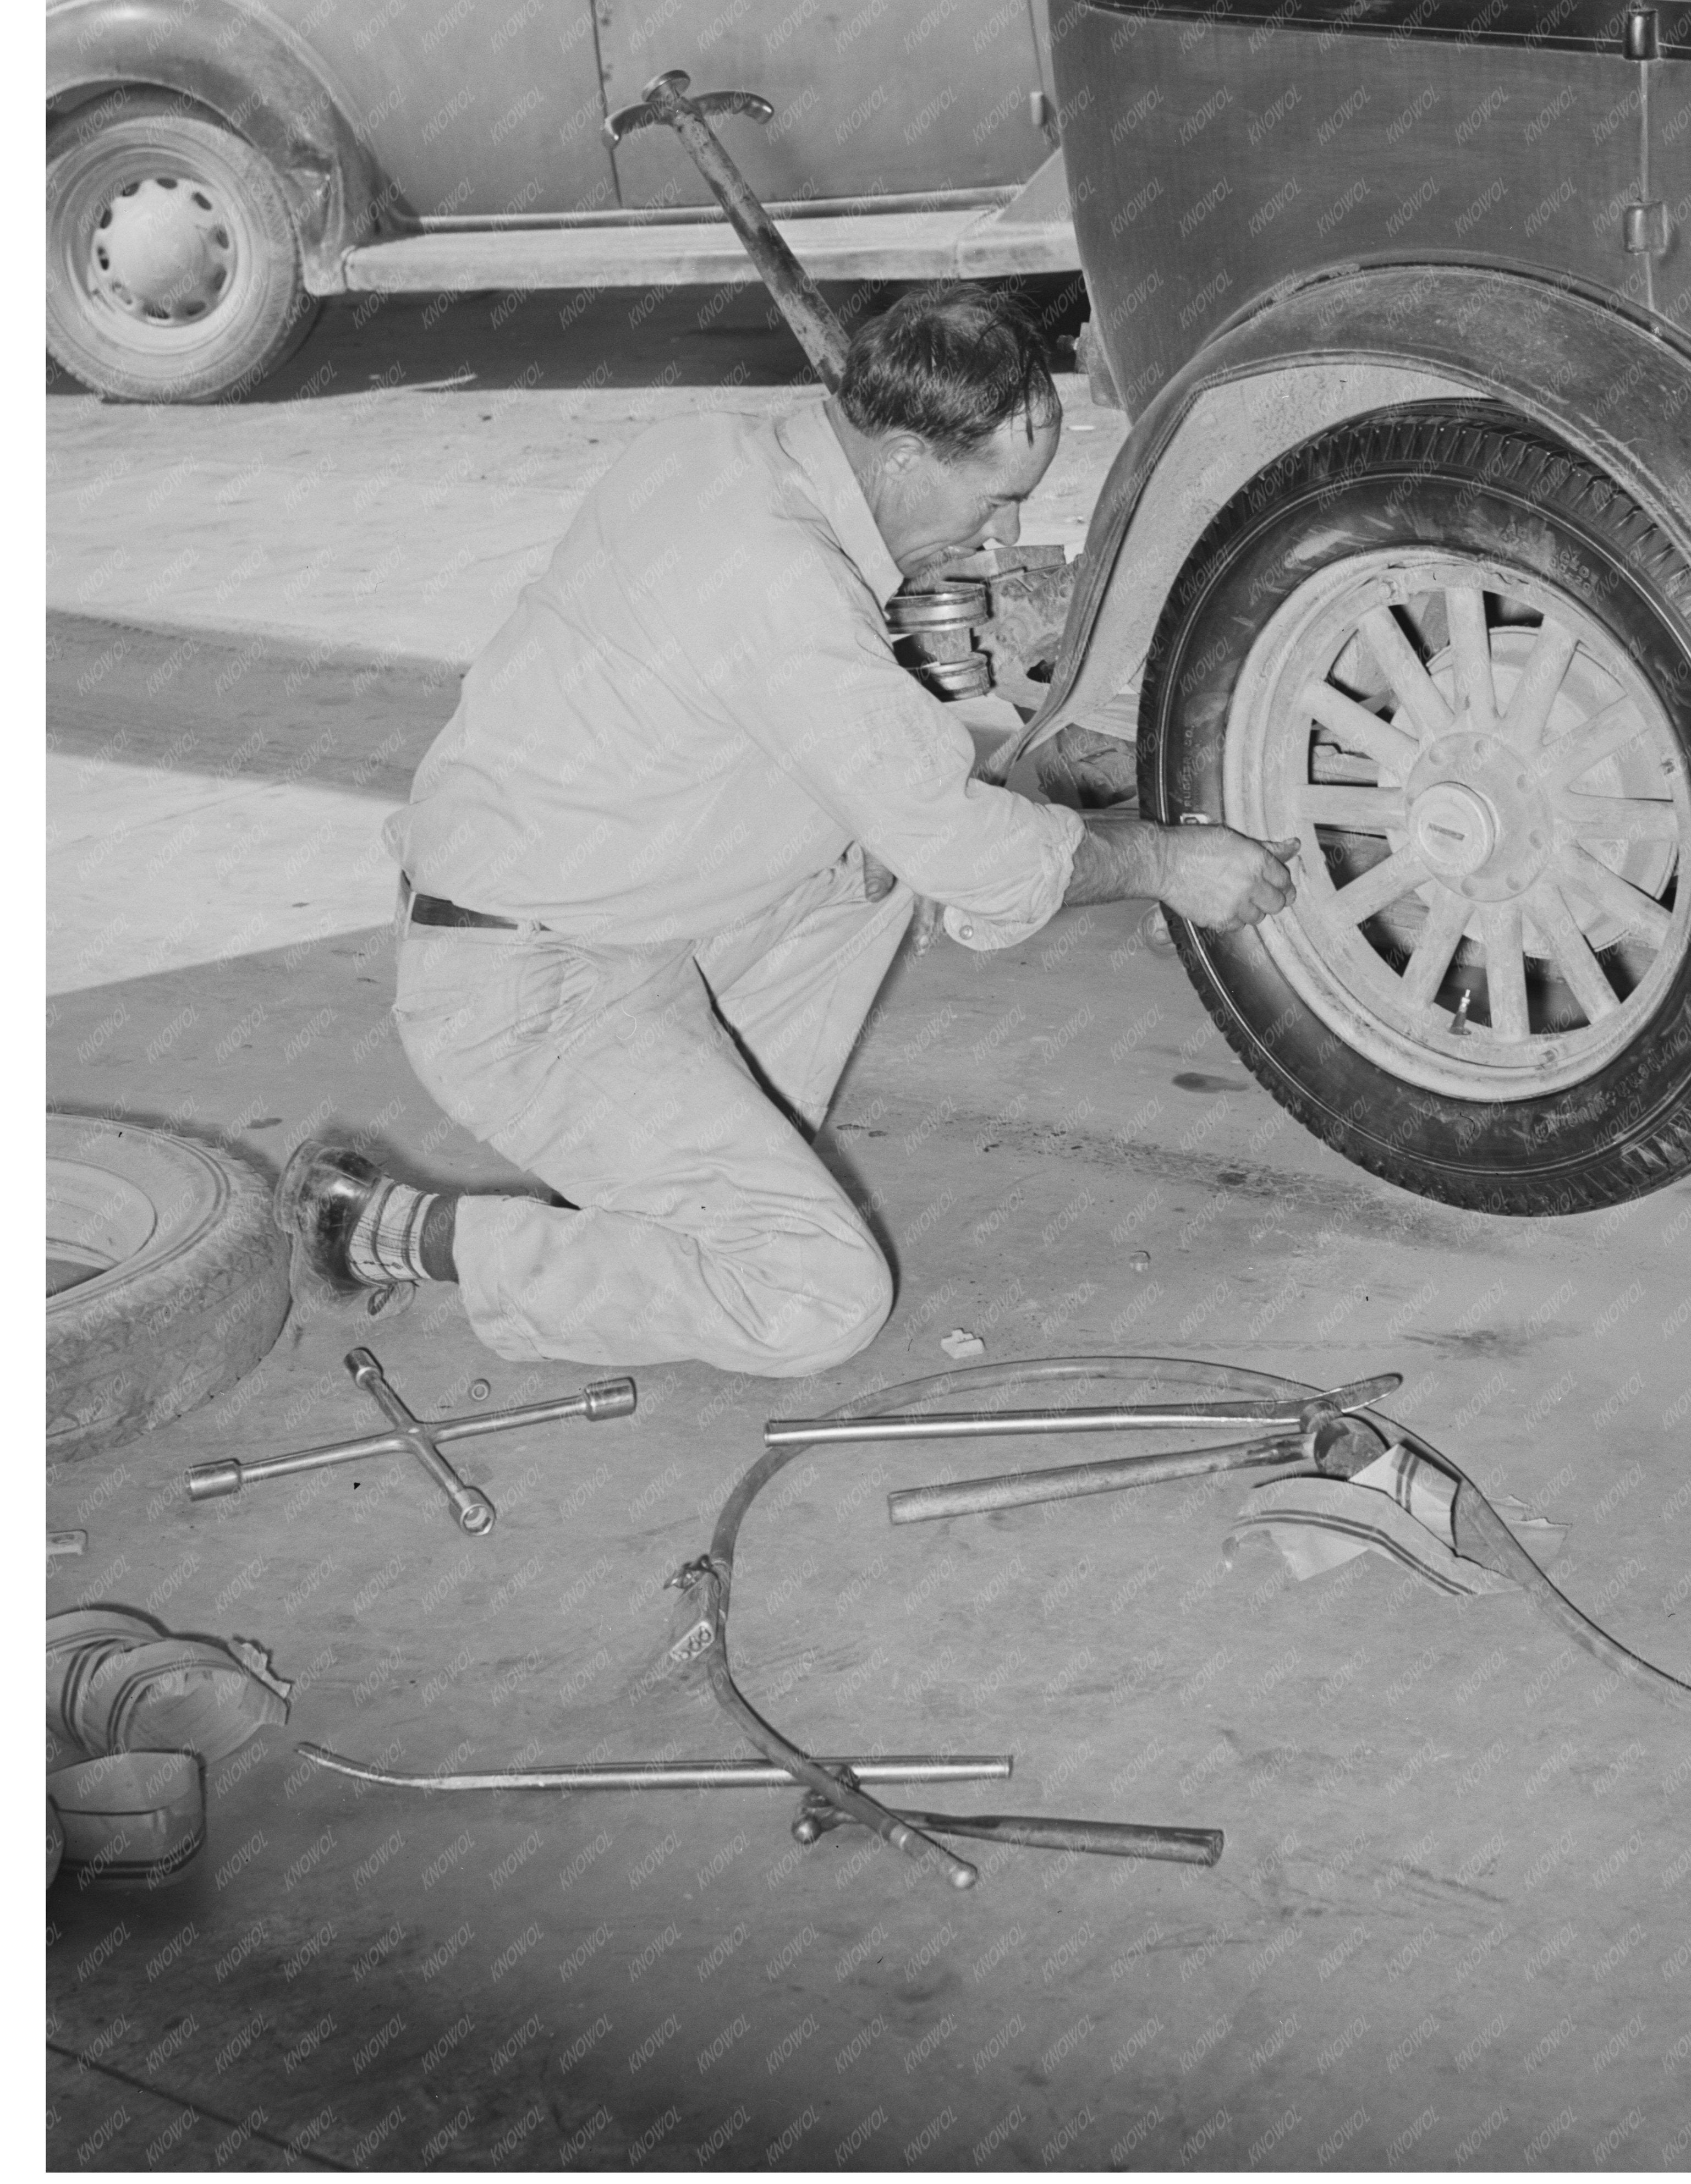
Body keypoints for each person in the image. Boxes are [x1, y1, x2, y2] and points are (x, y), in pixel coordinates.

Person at [277, 287, 1294, 1378]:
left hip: (582, 909)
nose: (1001, 537)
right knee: (819, 1298)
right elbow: (972, 852)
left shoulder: (713, 450)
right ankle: (382, 1228)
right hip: (525, 1002)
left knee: (873, 862)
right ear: (903, 455)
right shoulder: (784, 590)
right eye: (995, 500)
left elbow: (861, 752)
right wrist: (1165, 860)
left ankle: (658, 1184)